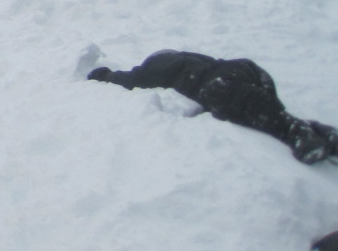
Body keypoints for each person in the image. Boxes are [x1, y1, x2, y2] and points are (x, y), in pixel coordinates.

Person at [88, 51, 338, 165]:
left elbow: (131, 79)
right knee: (256, 112)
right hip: (248, 71)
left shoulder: (158, 65)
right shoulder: (189, 59)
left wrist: (104, 76)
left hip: (223, 81)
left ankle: (297, 133)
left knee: (220, 95)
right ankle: (317, 132)